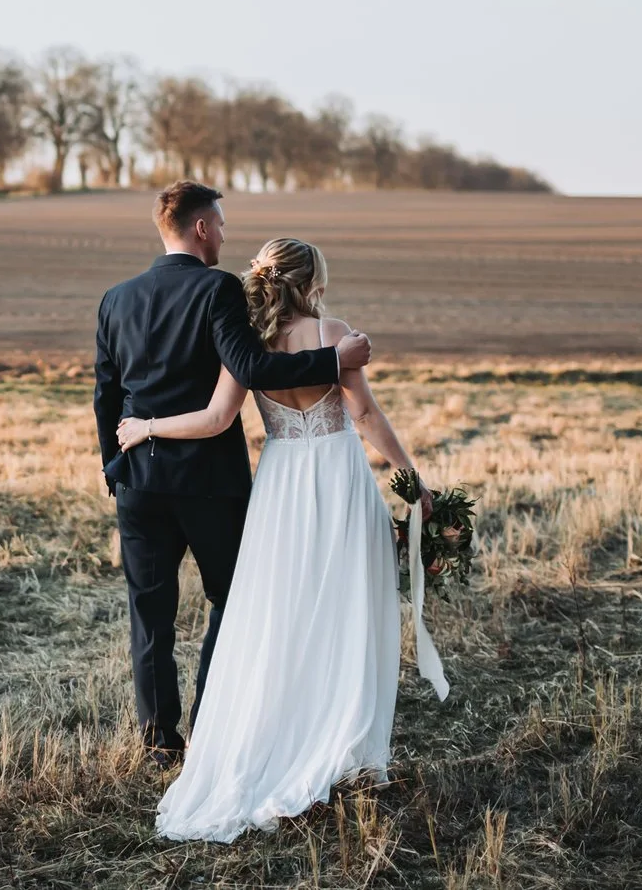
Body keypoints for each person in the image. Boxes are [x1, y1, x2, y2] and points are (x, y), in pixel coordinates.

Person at [124, 235, 443, 841]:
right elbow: (366, 416)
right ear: (310, 280)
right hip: (337, 480)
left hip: (281, 487)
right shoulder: (333, 334)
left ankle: (279, 738)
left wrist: (146, 426)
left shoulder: (249, 343)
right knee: (347, 610)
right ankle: (343, 750)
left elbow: (216, 419)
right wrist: (413, 481)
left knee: (282, 615)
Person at [92, 182, 371, 766]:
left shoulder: (115, 299)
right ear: (198, 228)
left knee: (150, 613)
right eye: (219, 223)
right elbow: (249, 366)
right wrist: (333, 360)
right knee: (232, 602)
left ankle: (160, 743)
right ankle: (211, 727)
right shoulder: (217, 289)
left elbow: (107, 395)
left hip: (138, 484)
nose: (224, 235)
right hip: (208, 484)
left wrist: (113, 465)